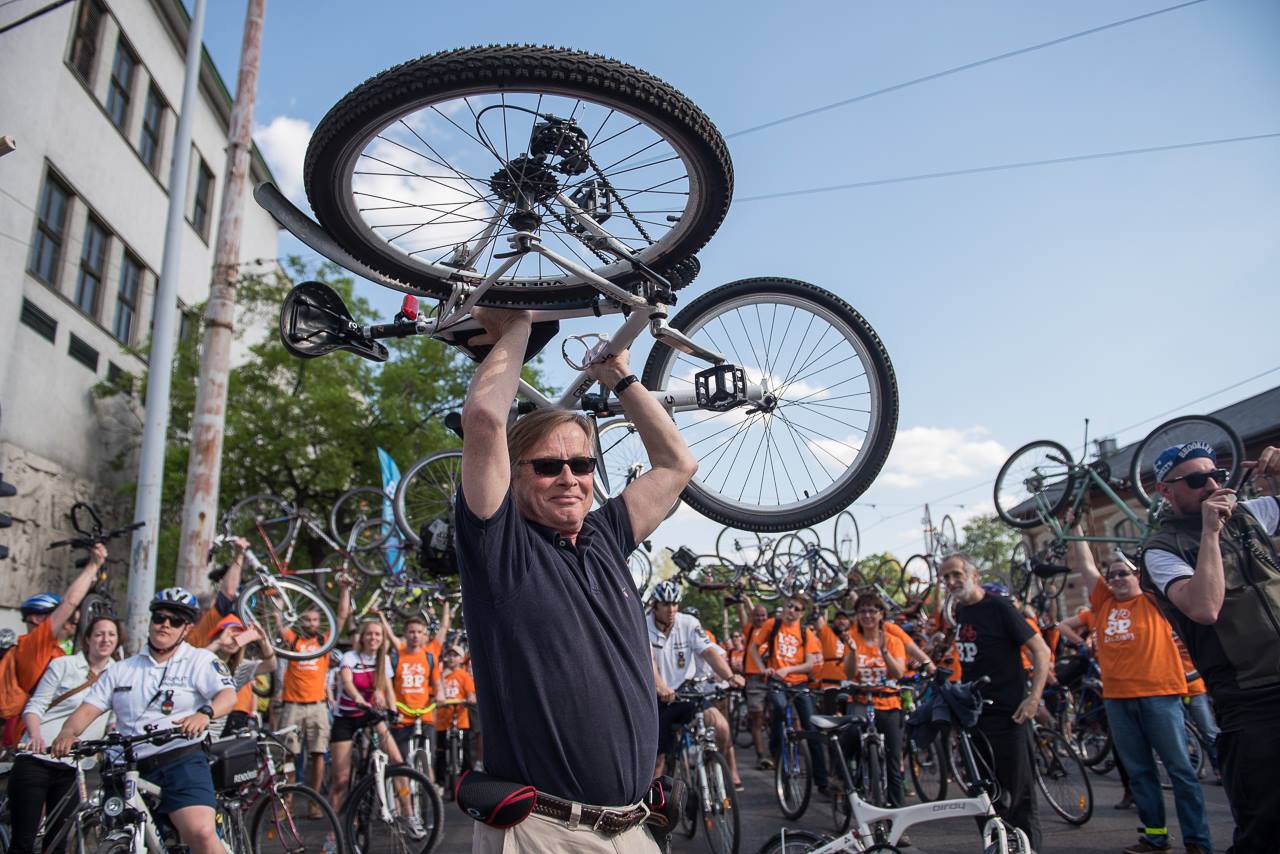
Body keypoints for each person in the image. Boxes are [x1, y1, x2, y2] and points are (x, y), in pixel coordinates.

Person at [455, 307, 697, 853]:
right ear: (514, 477)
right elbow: (486, 420)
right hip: (544, 832)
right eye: (546, 466)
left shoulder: (605, 535)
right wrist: (516, 327)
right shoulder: (501, 547)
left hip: (631, 829)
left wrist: (619, 378)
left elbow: (677, 465)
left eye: (582, 465)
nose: (568, 477)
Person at [1139, 442, 1280, 854]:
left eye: (1216, 474)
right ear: (1166, 490)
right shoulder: (1160, 550)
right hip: (1251, 698)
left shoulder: (1249, 514)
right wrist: (1210, 533)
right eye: (1197, 480)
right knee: (1264, 830)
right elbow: (1203, 607)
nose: (1213, 485)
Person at [52, 588, 237, 854]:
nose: (165, 625)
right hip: (127, 767)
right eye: (159, 617)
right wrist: (67, 733)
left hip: (180, 762)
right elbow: (88, 709)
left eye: (175, 621)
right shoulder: (121, 669)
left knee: (201, 833)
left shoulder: (199, 660)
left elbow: (227, 696)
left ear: (186, 629)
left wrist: (204, 714)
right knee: (116, 831)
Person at [1066, 527, 1212, 854]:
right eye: (1112, 575)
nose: (1116, 578)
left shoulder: (1152, 601)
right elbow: (1087, 567)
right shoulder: (1102, 603)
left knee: (1180, 771)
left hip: (1160, 696)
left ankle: (1198, 842)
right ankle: (1156, 837)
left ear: (1138, 577)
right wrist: (1074, 529)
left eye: (1123, 574)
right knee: (1140, 772)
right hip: (1117, 700)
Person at [939, 553, 1048, 851]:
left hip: (1009, 716)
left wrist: (1033, 698)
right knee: (984, 798)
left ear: (973, 574)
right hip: (976, 719)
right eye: (945, 577)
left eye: (956, 574)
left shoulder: (999, 607)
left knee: (1021, 798)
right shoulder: (961, 611)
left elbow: (1041, 650)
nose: (951, 582)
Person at [9, 615, 120, 854]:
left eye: (111, 634)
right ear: (87, 638)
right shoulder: (63, 666)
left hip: (74, 767)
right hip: (38, 758)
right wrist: (36, 735)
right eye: (99, 634)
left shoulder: (119, 674)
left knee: (58, 843)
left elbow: (115, 720)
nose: (105, 639)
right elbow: (35, 707)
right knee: (23, 843)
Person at [0, 543, 107, 740]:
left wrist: (92, 577)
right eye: (56, 615)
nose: (68, 620)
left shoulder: (52, 650)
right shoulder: (33, 646)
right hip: (34, 735)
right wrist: (93, 565)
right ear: (37, 619)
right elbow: (69, 602)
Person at [648, 580, 745, 786]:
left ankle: (714, 768)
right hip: (659, 694)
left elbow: (709, 652)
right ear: (655, 605)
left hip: (686, 690)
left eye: (675, 604)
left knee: (721, 728)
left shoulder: (689, 623)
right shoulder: (643, 625)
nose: (671, 610)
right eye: (665, 604)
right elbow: (650, 662)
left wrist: (729, 676)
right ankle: (650, 806)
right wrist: (661, 687)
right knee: (657, 759)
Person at [328, 617, 419, 831]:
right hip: (347, 717)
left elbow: (388, 689)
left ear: (382, 638)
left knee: (398, 762)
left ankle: (410, 815)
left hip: (370, 715)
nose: (373, 637)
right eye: (369, 633)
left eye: (378, 634)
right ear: (362, 636)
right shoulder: (350, 657)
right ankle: (332, 834)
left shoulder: (383, 660)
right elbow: (348, 683)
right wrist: (359, 700)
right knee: (340, 780)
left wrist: (394, 710)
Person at [276, 575, 351, 802]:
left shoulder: (324, 642)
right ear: (301, 621)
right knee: (289, 755)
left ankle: (315, 801)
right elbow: (278, 623)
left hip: (317, 705)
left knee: (318, 754)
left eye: (315, 620)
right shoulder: (293, 640)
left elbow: (341, 617)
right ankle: (286, 803)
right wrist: (278, 600)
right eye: (307, 620)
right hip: (292, 705)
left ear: (320, 622)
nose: (311, 624)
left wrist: (345, 590)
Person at [750, 592, 827, 792]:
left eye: (796, 609)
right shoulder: (772, 625)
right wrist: (762, 667)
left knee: (812, 726)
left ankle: (822, 781)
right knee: (778, 706)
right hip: (776, 680)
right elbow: (753, 648)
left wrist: (789, 669)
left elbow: (810, 664)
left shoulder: (804, 632)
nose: (791, 611)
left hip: (799, 683)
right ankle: (776, 750)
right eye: (789, 606)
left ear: (802, 613)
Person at [843, 593, 907, 808]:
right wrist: (852, 652)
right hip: (861, 700)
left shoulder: (894, 640)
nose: (867, 615)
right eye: (862, 611)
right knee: (850, 732)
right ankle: (846, 783)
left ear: (881, 614)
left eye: (872, 611)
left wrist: (885, 653)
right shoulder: (853, 638)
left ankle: (897, 816)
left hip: (889, 703)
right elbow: (849, 673)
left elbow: (898, 673)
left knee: (893, 762)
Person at [389, 608, 451, 778]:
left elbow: (436, 682)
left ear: (424, 635)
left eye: (419, 632)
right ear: (405, 634)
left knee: (427, 760)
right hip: (402, 717)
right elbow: (387, 685)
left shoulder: (429, 656)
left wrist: (439, 694)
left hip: (425, 716)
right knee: (400, 763)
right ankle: (404, 801)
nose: (415, 635)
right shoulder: (396, 656)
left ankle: (430, 796)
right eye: (411, 632)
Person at [206, 613, 277, 735]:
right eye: (229, 636)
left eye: (237, 638)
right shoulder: (204, 660)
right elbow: (192, 661)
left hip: (213, 735)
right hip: (191, 728)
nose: (232, 641)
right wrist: (219, 642)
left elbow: (271, 665)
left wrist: (263, 641)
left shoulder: (241, 667)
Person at [734, 596, 772, 768]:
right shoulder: (749, 630)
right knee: (757, 718)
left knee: (774, 717)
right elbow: (743, 612)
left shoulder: (773, 630)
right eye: (757, 615)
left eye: (763, 615)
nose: (760, 618)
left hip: (772, 678)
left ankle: (776, 752)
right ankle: (761, 755)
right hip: (754, 680)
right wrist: (742, 599)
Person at [435, 645, 477, 781]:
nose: (452, 658)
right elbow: (436, 690)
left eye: (456, 655)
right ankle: (440, 781)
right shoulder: (441, 675)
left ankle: (467, 778)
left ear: (461, 659)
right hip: (443, 719)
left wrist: (470, 698)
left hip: (460, 717)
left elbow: (470, 693)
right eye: (450, 655)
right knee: (440, 750)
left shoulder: (464, 675)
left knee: (466, 749)